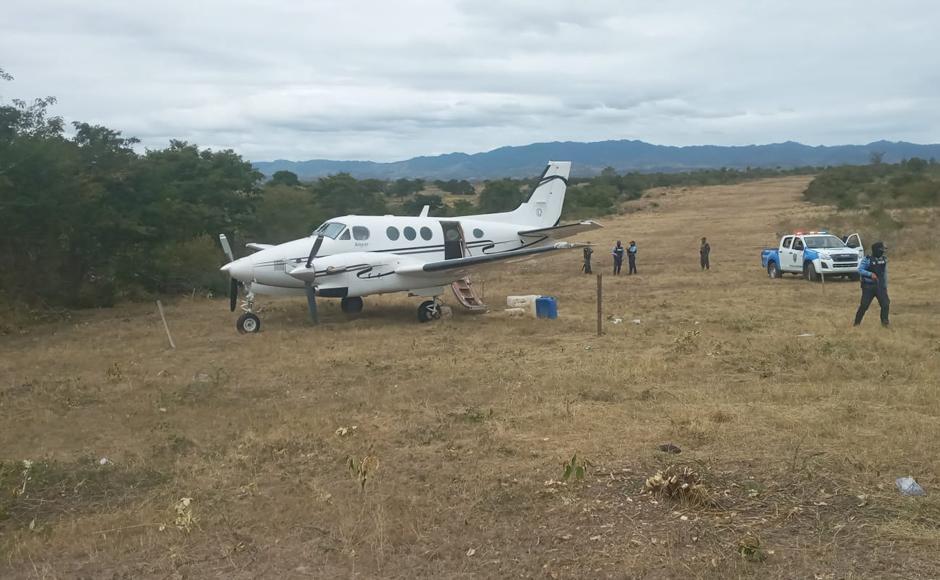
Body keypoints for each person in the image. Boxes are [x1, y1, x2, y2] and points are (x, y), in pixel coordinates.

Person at [854, 241, 890, 327]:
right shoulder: (867, 259)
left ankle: (885, 323)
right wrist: (870, 274)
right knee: (864, 305)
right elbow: (860, 270)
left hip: (880, 286)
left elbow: (884, 273)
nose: (882, 252)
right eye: (881, 250)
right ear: (876, 250)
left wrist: (885, 286)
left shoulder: (883, 259)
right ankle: (856, 323)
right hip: (868, 286)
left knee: (885, 304)